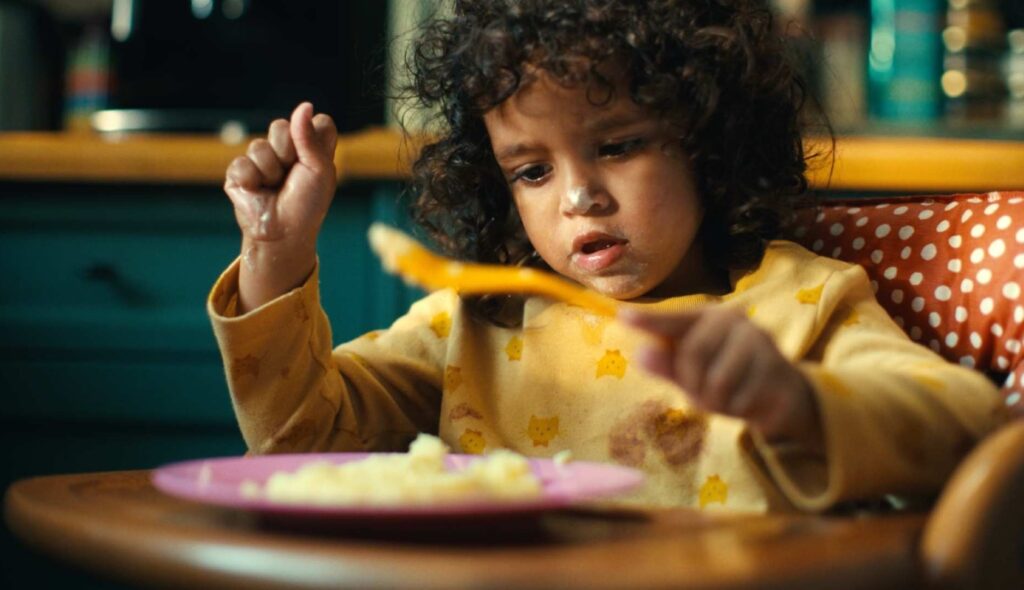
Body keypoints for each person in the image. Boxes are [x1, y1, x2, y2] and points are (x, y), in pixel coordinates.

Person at [209, 0, 1001, 511]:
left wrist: (795, 401)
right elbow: (298, 443)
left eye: (618, 145)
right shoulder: (477, 321)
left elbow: (968, 426)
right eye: (531, 170)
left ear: (709, 139)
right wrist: (274, 256)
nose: (577, 197)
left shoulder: (803, 303)